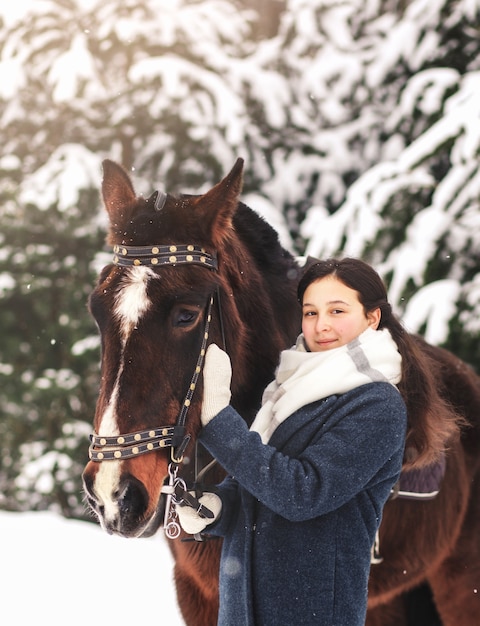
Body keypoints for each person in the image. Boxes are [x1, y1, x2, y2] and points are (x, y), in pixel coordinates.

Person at [178, 257, 409, 626]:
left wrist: (218, 420)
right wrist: (217, 506)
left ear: (372, 318)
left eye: (337, 310)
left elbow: (303, 493)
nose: (322, 325)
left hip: (311, 613)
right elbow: (259, 489)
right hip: (242, 611)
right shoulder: (288, 389)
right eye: (311, 312)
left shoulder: (376, 404)